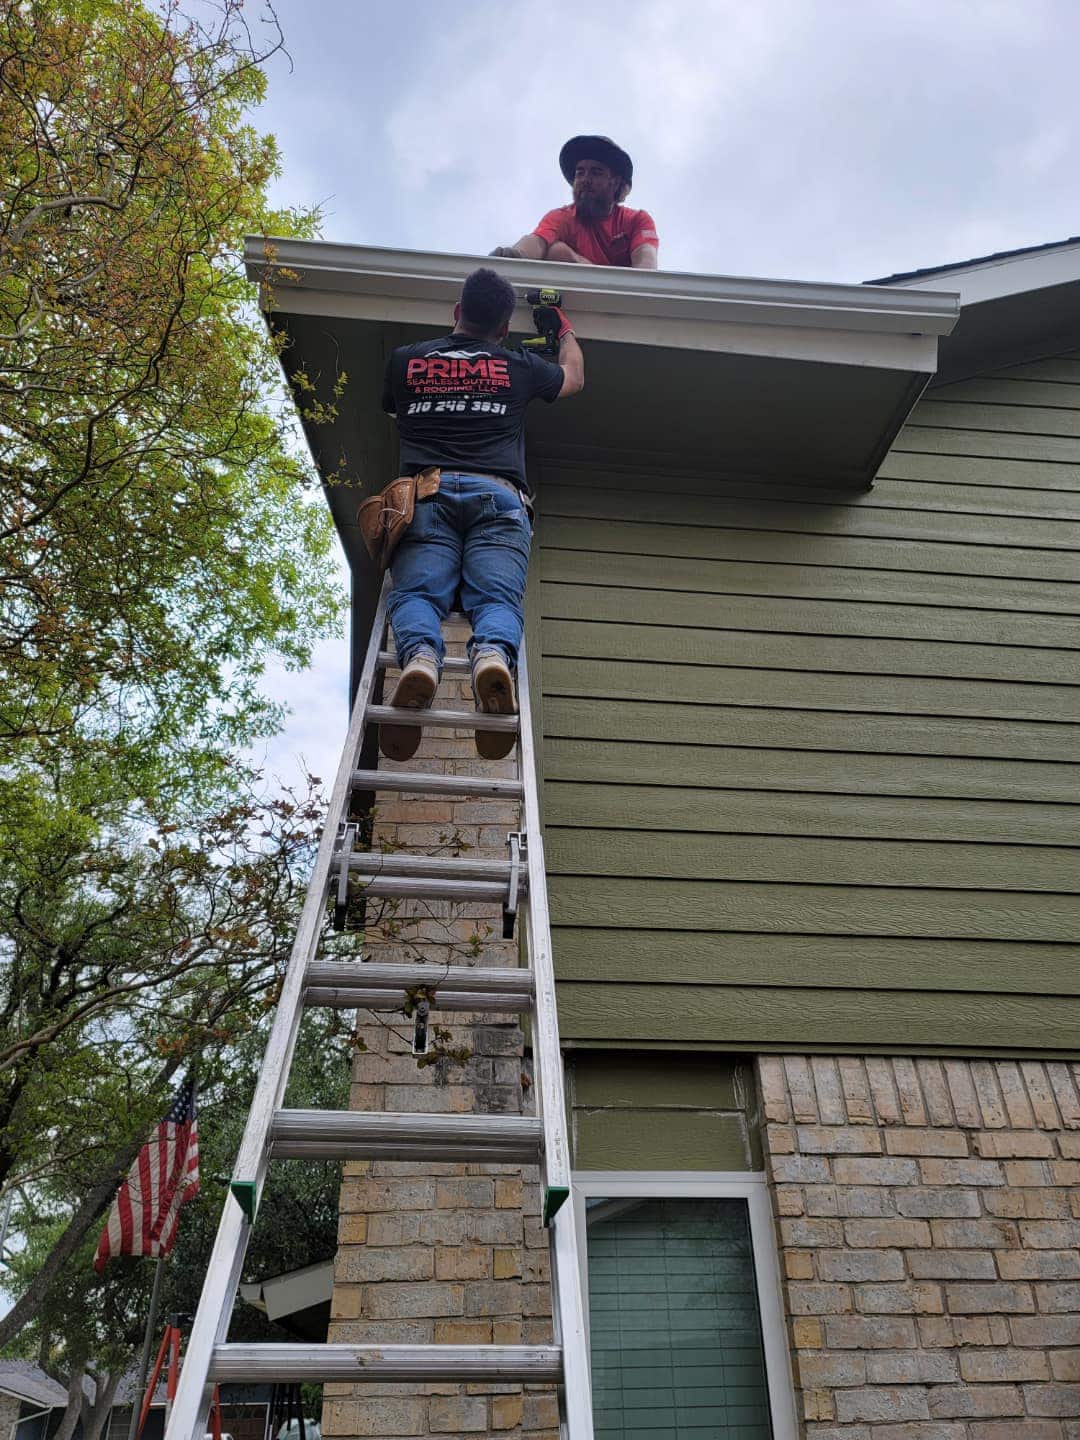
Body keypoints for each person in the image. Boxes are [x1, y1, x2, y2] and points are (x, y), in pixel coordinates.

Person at [379, 267, 584, 763]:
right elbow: (575, 378)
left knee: (417, 594)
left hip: (427, 494)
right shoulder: (517, 365)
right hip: (499, 497)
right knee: (496, 599)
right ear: (502, 329)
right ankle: (491, 658)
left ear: (457, 312)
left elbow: (394, 412)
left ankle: (423, 659)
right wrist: (562, 328)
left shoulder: (405, 361)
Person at [492, 135, 658, 269]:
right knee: (557, 251)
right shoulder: (561, 217)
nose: (585, 179)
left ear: (615, 182)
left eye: (596, 172)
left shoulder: (636, 220)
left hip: (625, 305)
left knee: (558, 252)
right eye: (580, 172)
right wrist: (512, 257)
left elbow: (646, 264)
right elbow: (537, 241)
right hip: (572, 304)